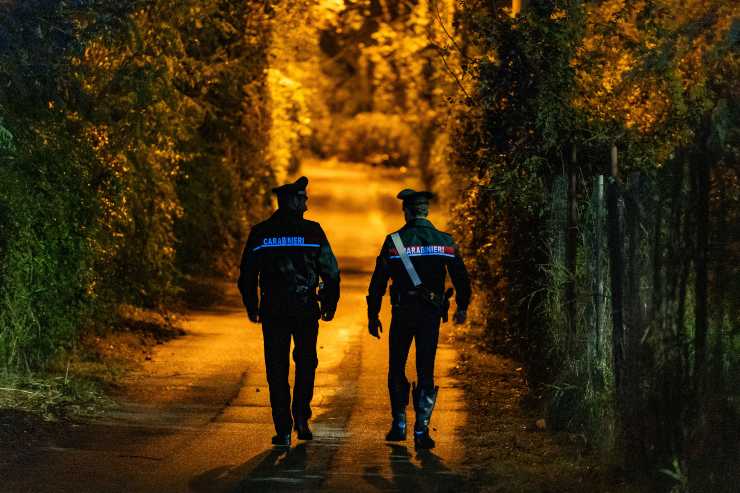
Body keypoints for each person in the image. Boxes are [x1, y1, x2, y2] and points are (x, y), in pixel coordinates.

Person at [238, 176, 340, 447]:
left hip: (273, 311)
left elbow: (247, 274)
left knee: (276, 369)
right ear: (290, 200)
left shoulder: (261, 232)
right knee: (306, 363)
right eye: (302, 197)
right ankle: (302, 418)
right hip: (305, 309)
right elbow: (331, 272)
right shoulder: (313, 232)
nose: (306, 201)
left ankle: (283, 428)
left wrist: (252, 307)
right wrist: (329, 304)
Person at [366, 188, 471, 449]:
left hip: (402, 312)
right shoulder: (444, 240)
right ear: (427, 211)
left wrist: (373, 313)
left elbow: (378, 281)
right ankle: (422, 430)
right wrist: (461, 307)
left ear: (407, 211)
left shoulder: (394, 241)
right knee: (426, 368)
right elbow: (461, 277)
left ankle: (399, 424)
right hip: (430, 315)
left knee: (397, 365)